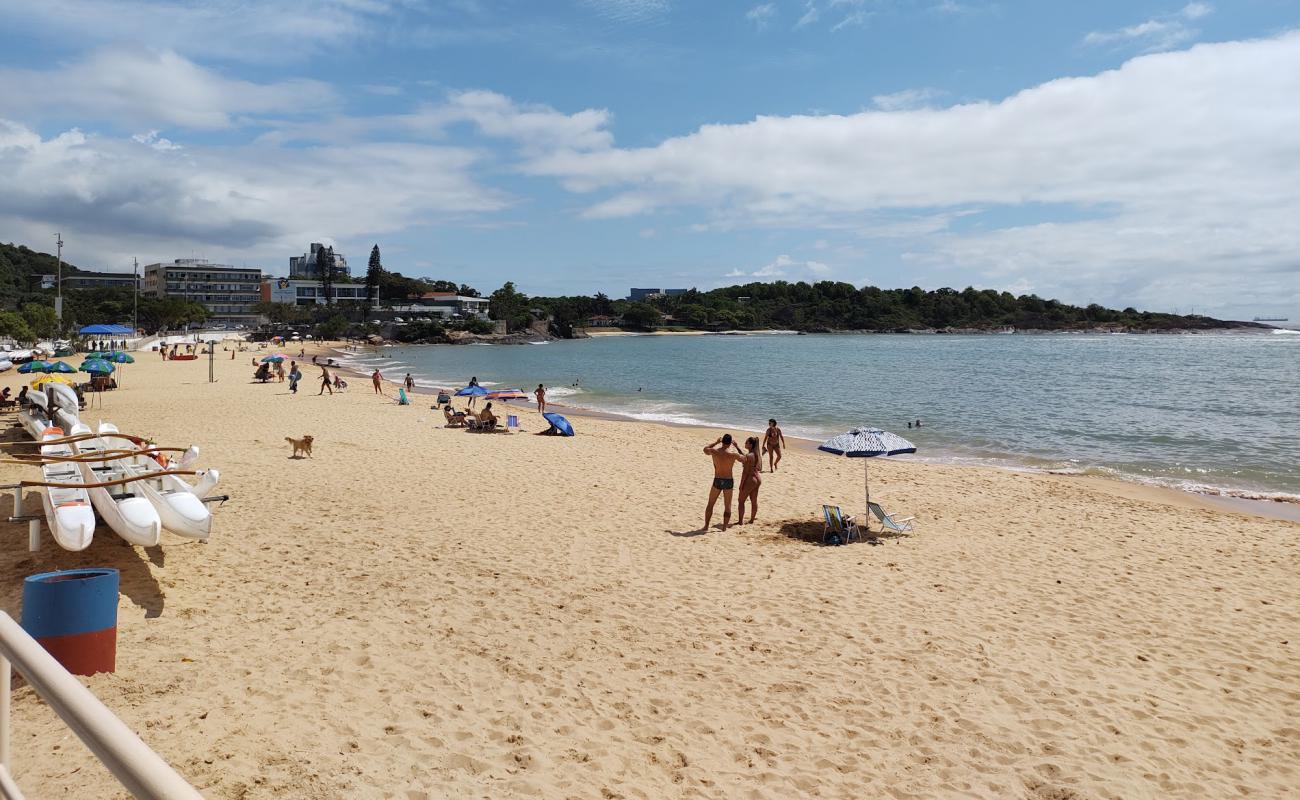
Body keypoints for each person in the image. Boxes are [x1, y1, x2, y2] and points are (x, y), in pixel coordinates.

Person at [703, 434, 745, 532]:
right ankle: (724, 527)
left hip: (717, 479)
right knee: (727, 505)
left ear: (722, 442)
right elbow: (744, 458)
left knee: (710, 504)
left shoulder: (714, 451)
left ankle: (706, 526)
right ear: (730, 443)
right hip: (728, 481)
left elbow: (705, 449)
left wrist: (716, 442)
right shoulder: (733, 455)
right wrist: (737, 446)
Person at [737, 436, 763, 525]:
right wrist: (737, 447)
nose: (745, 443)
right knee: (754, 500)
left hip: (750, 479)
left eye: (746, 442)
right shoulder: (756, 454)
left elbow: (745, 472)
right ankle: (752, 520)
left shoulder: (749, 456)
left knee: (741, 501)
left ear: (751, 445)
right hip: (757, 478)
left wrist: (741, 484)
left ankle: (740, 522)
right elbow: (744, 456)